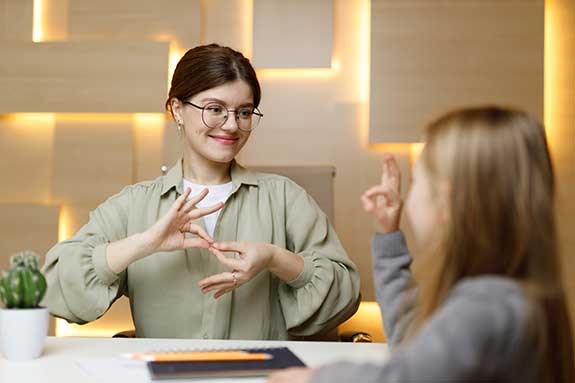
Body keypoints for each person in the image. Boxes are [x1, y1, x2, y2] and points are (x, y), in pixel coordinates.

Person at [41, 44, 360, 339]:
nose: (232, 125)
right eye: (215, 109)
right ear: (177, 109)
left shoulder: (286, 198)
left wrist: (276, 258)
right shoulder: (134, 204)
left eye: (244, 112)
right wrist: (143, 243)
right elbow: (54, 288)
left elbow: (345, 297)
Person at [269, 106, 574, 382]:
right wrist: (389, 235)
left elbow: (403, 378)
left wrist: (315, 379)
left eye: (416, 181)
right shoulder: (511, 298)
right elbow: (412, 339)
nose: (409, 195)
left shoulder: (483, 309)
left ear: (447, 202)